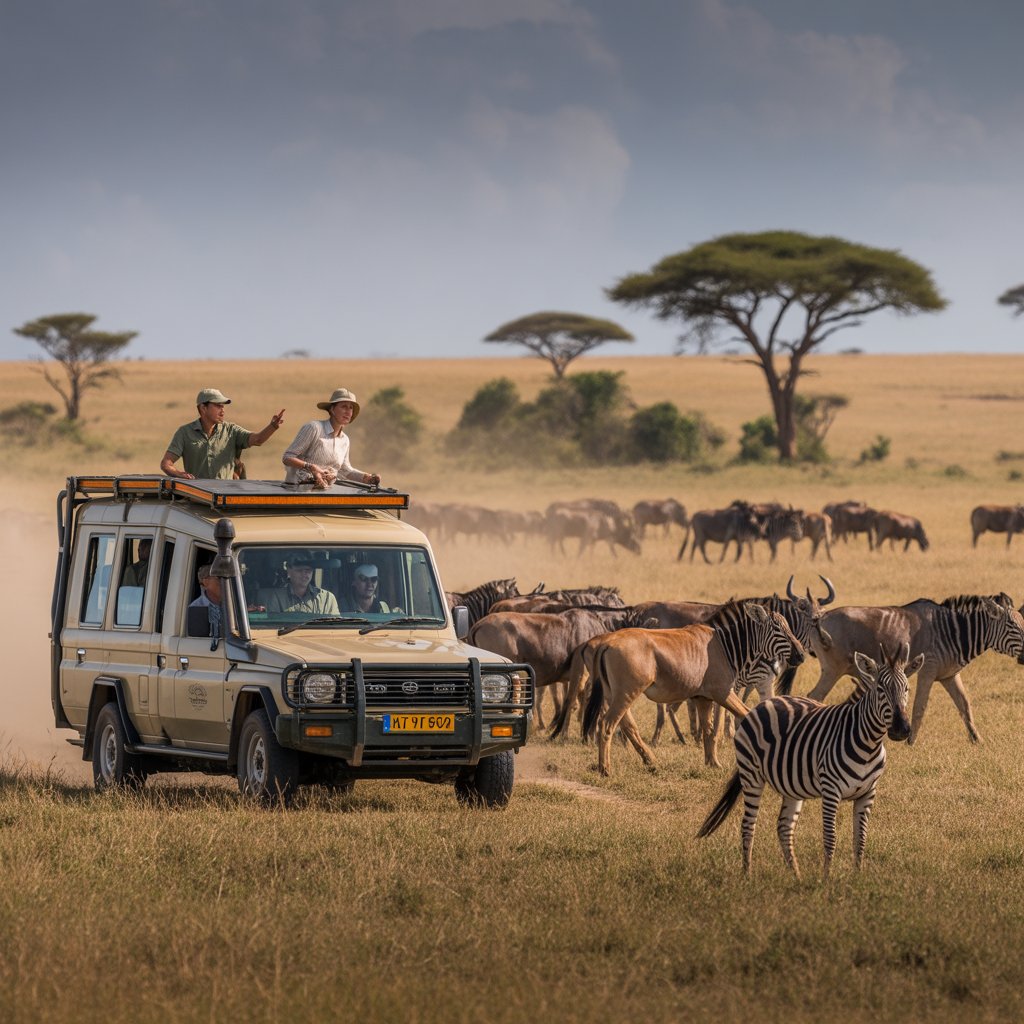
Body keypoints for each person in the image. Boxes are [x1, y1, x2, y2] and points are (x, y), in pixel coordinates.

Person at [161, 388, 286, 480]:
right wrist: (180, 474)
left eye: (223, 406)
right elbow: (166, 464)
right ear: (203, 408)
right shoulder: (184, 433)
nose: (222, 410)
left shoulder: (231, 430)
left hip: (225, 497)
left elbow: (258, 440)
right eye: (218, 406)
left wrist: (273, 427)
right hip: (196, 497)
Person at [281, 387, 380, 490]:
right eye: (344, 406)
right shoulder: (314, 428)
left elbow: (345, 470)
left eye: (351, 408)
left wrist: (367, 478)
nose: (348, 411)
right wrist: (311, 467)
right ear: (332, 409)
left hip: (325, 492)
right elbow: (287, 457)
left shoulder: (345, 440)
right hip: (297, 490)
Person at [262, 552, 340, 615]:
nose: (304, 574)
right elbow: (271, 626)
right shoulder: (275, 597)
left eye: (308, 570)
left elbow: (334, 627)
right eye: (299, 570)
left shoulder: (327, 598)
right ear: (289, 570)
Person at [190, 564, 222, 635]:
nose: (224, 581)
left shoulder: (236, 604)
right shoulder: (196, 608)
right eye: (219, 578)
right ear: (206, 582)